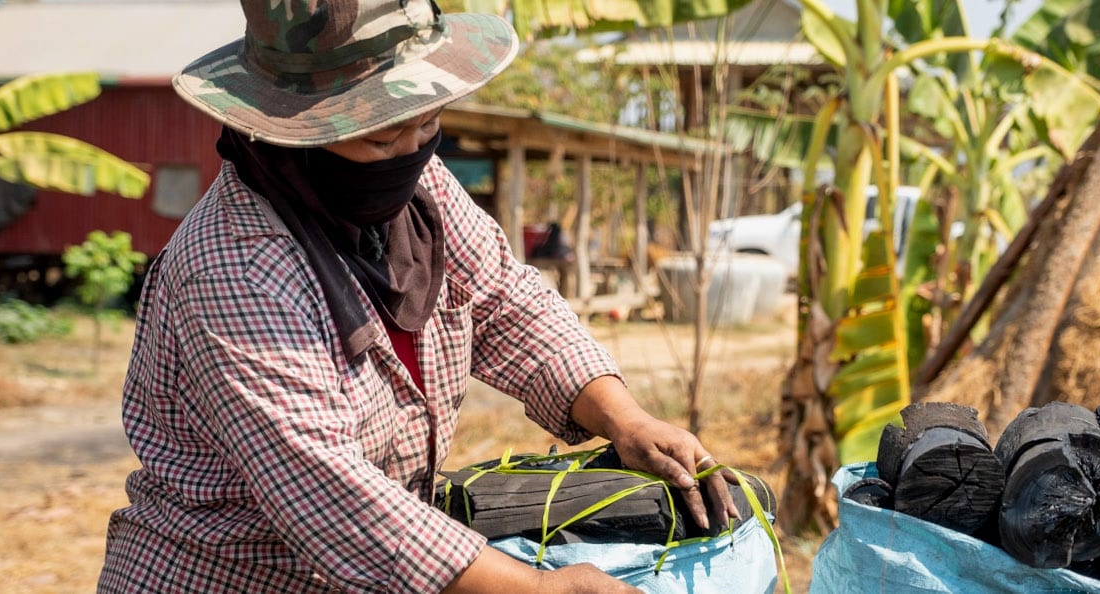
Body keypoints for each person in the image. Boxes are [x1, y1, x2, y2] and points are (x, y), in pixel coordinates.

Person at [96, 1, 737, 592]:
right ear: (294, 131)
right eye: (381, 139)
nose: (411, 151)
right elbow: (332, 498)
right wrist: (540, 589)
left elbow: (504, 302)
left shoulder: (416, 187)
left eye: (427, 123)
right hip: (231, 577)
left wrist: (625, 419)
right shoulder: (236, 270)